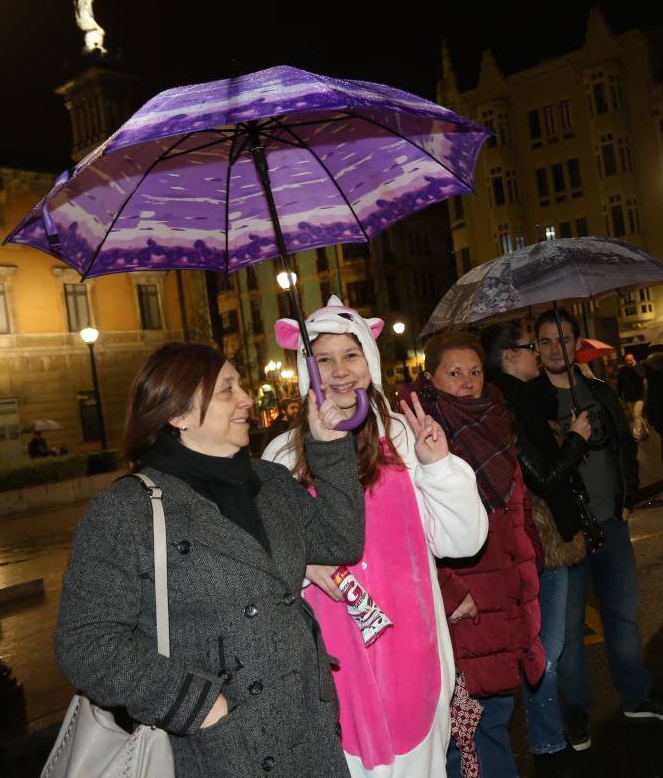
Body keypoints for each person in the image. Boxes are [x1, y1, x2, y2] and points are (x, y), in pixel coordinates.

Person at [54, 341, 365, 778]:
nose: (246, 398)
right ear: (178, 415)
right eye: (226, 389)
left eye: (239, 384)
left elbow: (340, 541)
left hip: (307, 731)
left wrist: (329, 446)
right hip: (218, 751)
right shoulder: (130, 510)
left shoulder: (270, 482)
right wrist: (200, 706)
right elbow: (85, 642)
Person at [263, 296, 488, 778]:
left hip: (414, 655)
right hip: (333, 662)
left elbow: (462, 542)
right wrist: (299, 564)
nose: (339, 371)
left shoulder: (406, 438)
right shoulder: (283, 454)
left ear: (371, 360)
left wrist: (440, 467)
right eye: (323, 358)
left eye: (351, 354)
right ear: (306, 370)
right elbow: (261, 559)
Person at [413, 331, 545, 778]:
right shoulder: (418, 432)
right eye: (454, 373)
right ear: (429, 377)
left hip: (506, 592)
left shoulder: (496, 419)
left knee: (496, 720)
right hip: (464, 601)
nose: (467, 382)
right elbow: (412, 529)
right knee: (464, 732)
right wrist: (447, 591)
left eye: (474, 372)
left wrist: (532, 551)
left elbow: (518, 500)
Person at [534, 308, 662, 751]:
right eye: (546, 341)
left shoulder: (600, 391)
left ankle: (635, 695)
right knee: (568, 632)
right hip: (567, 536)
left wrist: (627, 500)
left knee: (623, 616)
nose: (555, 349)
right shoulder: (532, 402)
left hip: (611, 522)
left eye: (563, 340)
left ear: (576, 344)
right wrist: (567, 436)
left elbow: (623, 446)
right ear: (537, 347)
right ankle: (576, 713)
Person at [482, 321, 592, 778]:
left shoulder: (531, 401)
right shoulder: (509, 408)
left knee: (550, 646)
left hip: (549, 538)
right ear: (510, 357)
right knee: (546, 649)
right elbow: (544, 477)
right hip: (541, 542)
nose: (538, 355)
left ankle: (549, 736)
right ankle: (547, 741)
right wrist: (576, 440)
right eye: (531, 347)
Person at [617, 354, 648, 442]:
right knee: (635, 416)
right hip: (629, 397)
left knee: (636, 415)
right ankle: (644, 429)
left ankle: (636, 436)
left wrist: (635, 367)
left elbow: (641, 376)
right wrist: (618, 395)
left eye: (631, 360)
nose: (629, 362)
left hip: (639, 397)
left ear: (634, 360)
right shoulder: (622, 371)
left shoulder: (639, 368)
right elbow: (620, 384)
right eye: (627, 360)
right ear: (624, 362)